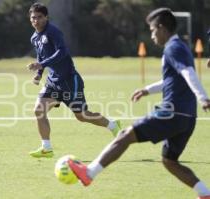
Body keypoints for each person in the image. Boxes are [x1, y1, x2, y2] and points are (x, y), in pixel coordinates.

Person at [68, 8, 210, 199]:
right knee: (169, 161)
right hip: (188, 118)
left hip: (172, 112)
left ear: (161, 28)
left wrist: (203, 97)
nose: (152, 36)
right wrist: (147, 90)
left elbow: (188, 74)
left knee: (125, 135)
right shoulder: (182, 47)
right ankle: (205, 193)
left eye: (152, 30)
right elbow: (175, 80)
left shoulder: (173, 47)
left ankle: (89, 173)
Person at [27, 3, 121, 158]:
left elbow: (62, 51)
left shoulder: (53, 31)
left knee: (82, 116)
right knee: (39, 110)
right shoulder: (34, 37)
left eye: (39, 17)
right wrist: (39, 72)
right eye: (33, 17)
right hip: (53, 82)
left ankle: (112, 125)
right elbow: (41, 57)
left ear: (46, 17)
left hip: (69, 81)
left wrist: (42, 64)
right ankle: (47, 148)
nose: (36, 20)